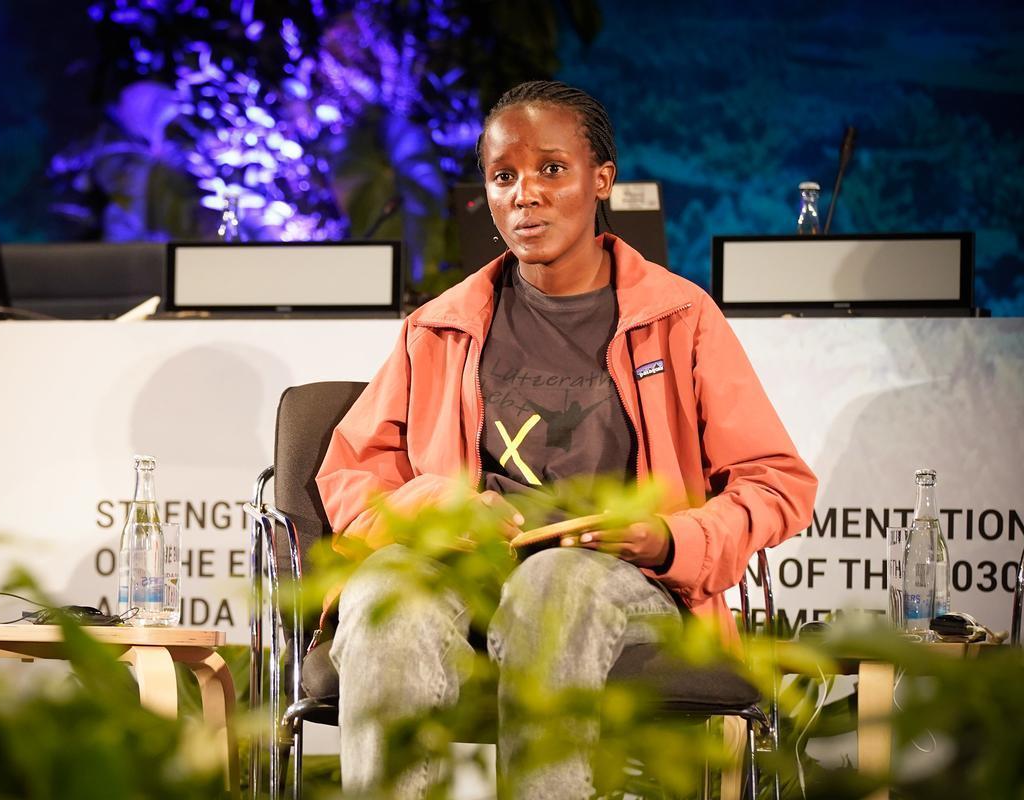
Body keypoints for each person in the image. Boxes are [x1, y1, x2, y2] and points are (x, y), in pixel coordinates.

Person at [315, 80, 817, 798]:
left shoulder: (680, 318)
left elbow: (776, 483)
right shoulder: (438, 327)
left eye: (553, 169)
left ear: (601, 179)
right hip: (469, 574)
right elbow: (351, 477)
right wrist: (433, 507)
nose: (526, 194)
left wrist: (668, 537)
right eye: (504, 176)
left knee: (554, 585)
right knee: (384, 590)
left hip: (622, 581)